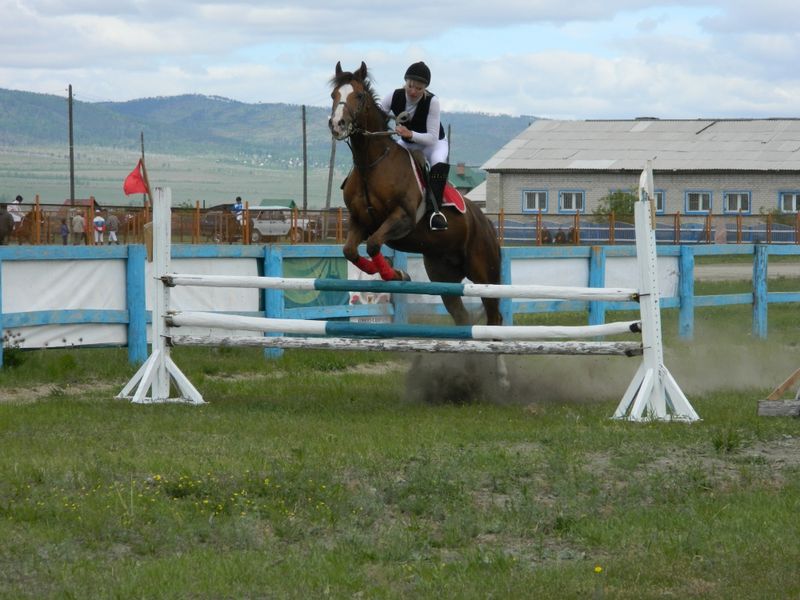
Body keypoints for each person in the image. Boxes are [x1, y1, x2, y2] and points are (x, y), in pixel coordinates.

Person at [380, 61, 450, 230]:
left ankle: (435, 212)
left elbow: (432, 138)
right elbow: (377, 115)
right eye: (410, 86)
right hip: (407, 143)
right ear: (406, 82)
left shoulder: (432, 101)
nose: (413, 91)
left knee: (438, 162)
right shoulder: (393, 96)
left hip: (433, 145)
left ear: (425, 88)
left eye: (419, 89)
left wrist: (409, 134)